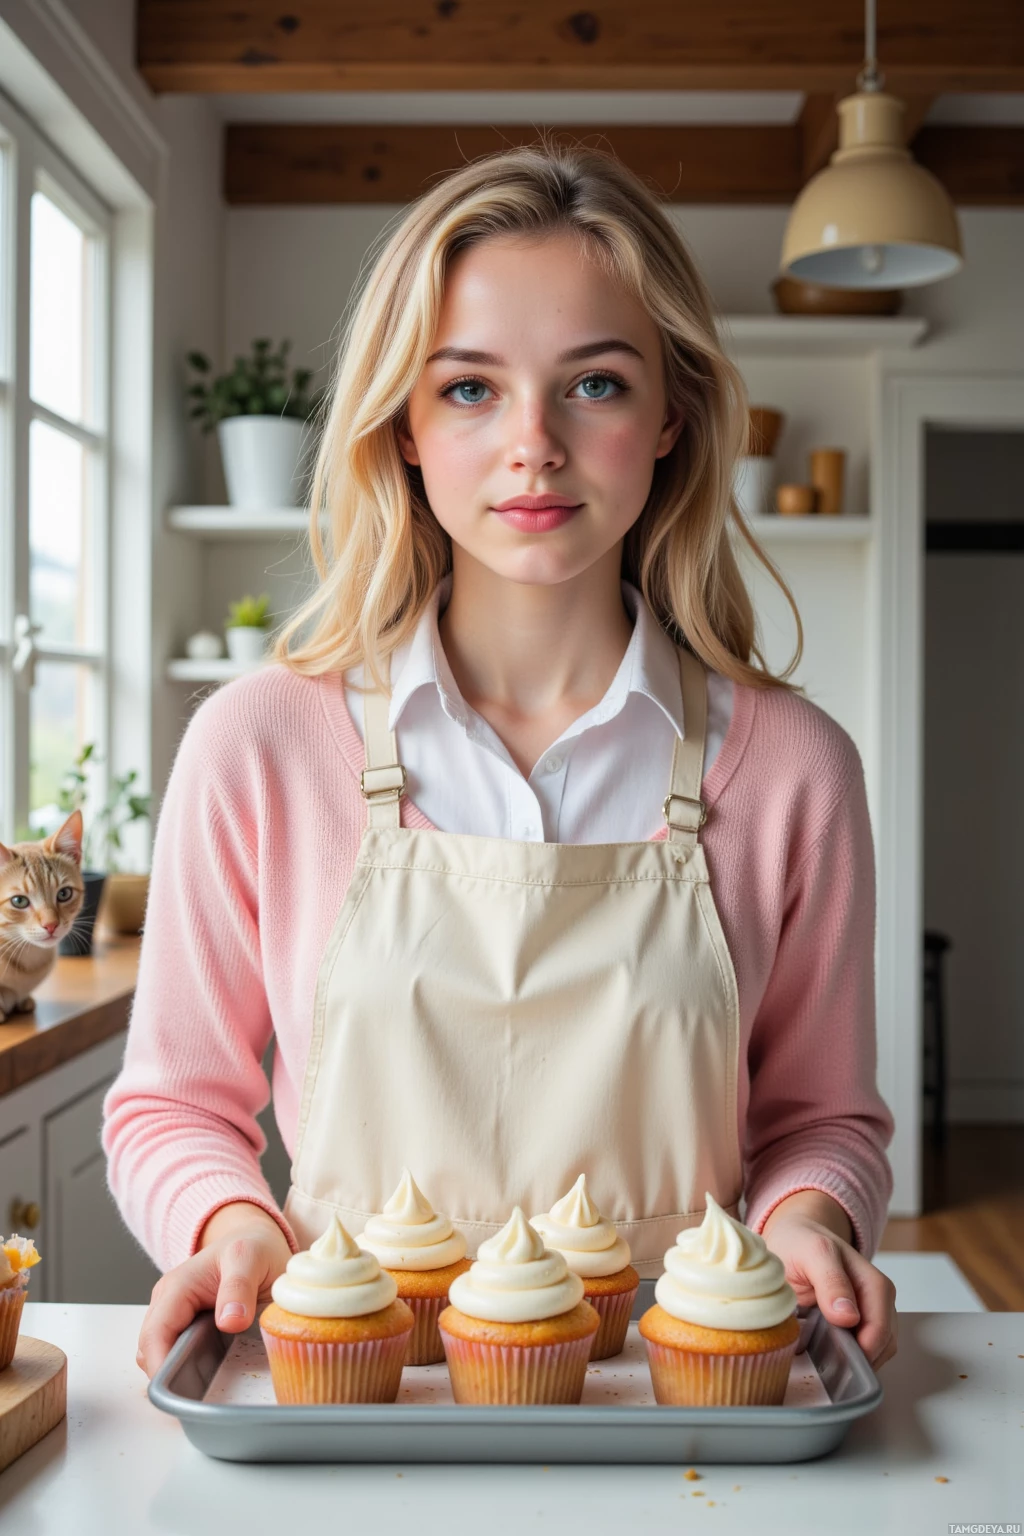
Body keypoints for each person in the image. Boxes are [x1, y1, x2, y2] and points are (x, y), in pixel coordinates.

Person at [104, 144, 897, 1379]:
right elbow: (171, 1104)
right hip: (349, 1396)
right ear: (404, 426)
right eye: (469, 389)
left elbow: (820, 1121)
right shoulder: (256, 742)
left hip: (681, 1408)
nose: (533, 443)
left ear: (671, 417)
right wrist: (228, 1225)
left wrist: (808, 1217)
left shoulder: (796, 769)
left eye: (593, 383)